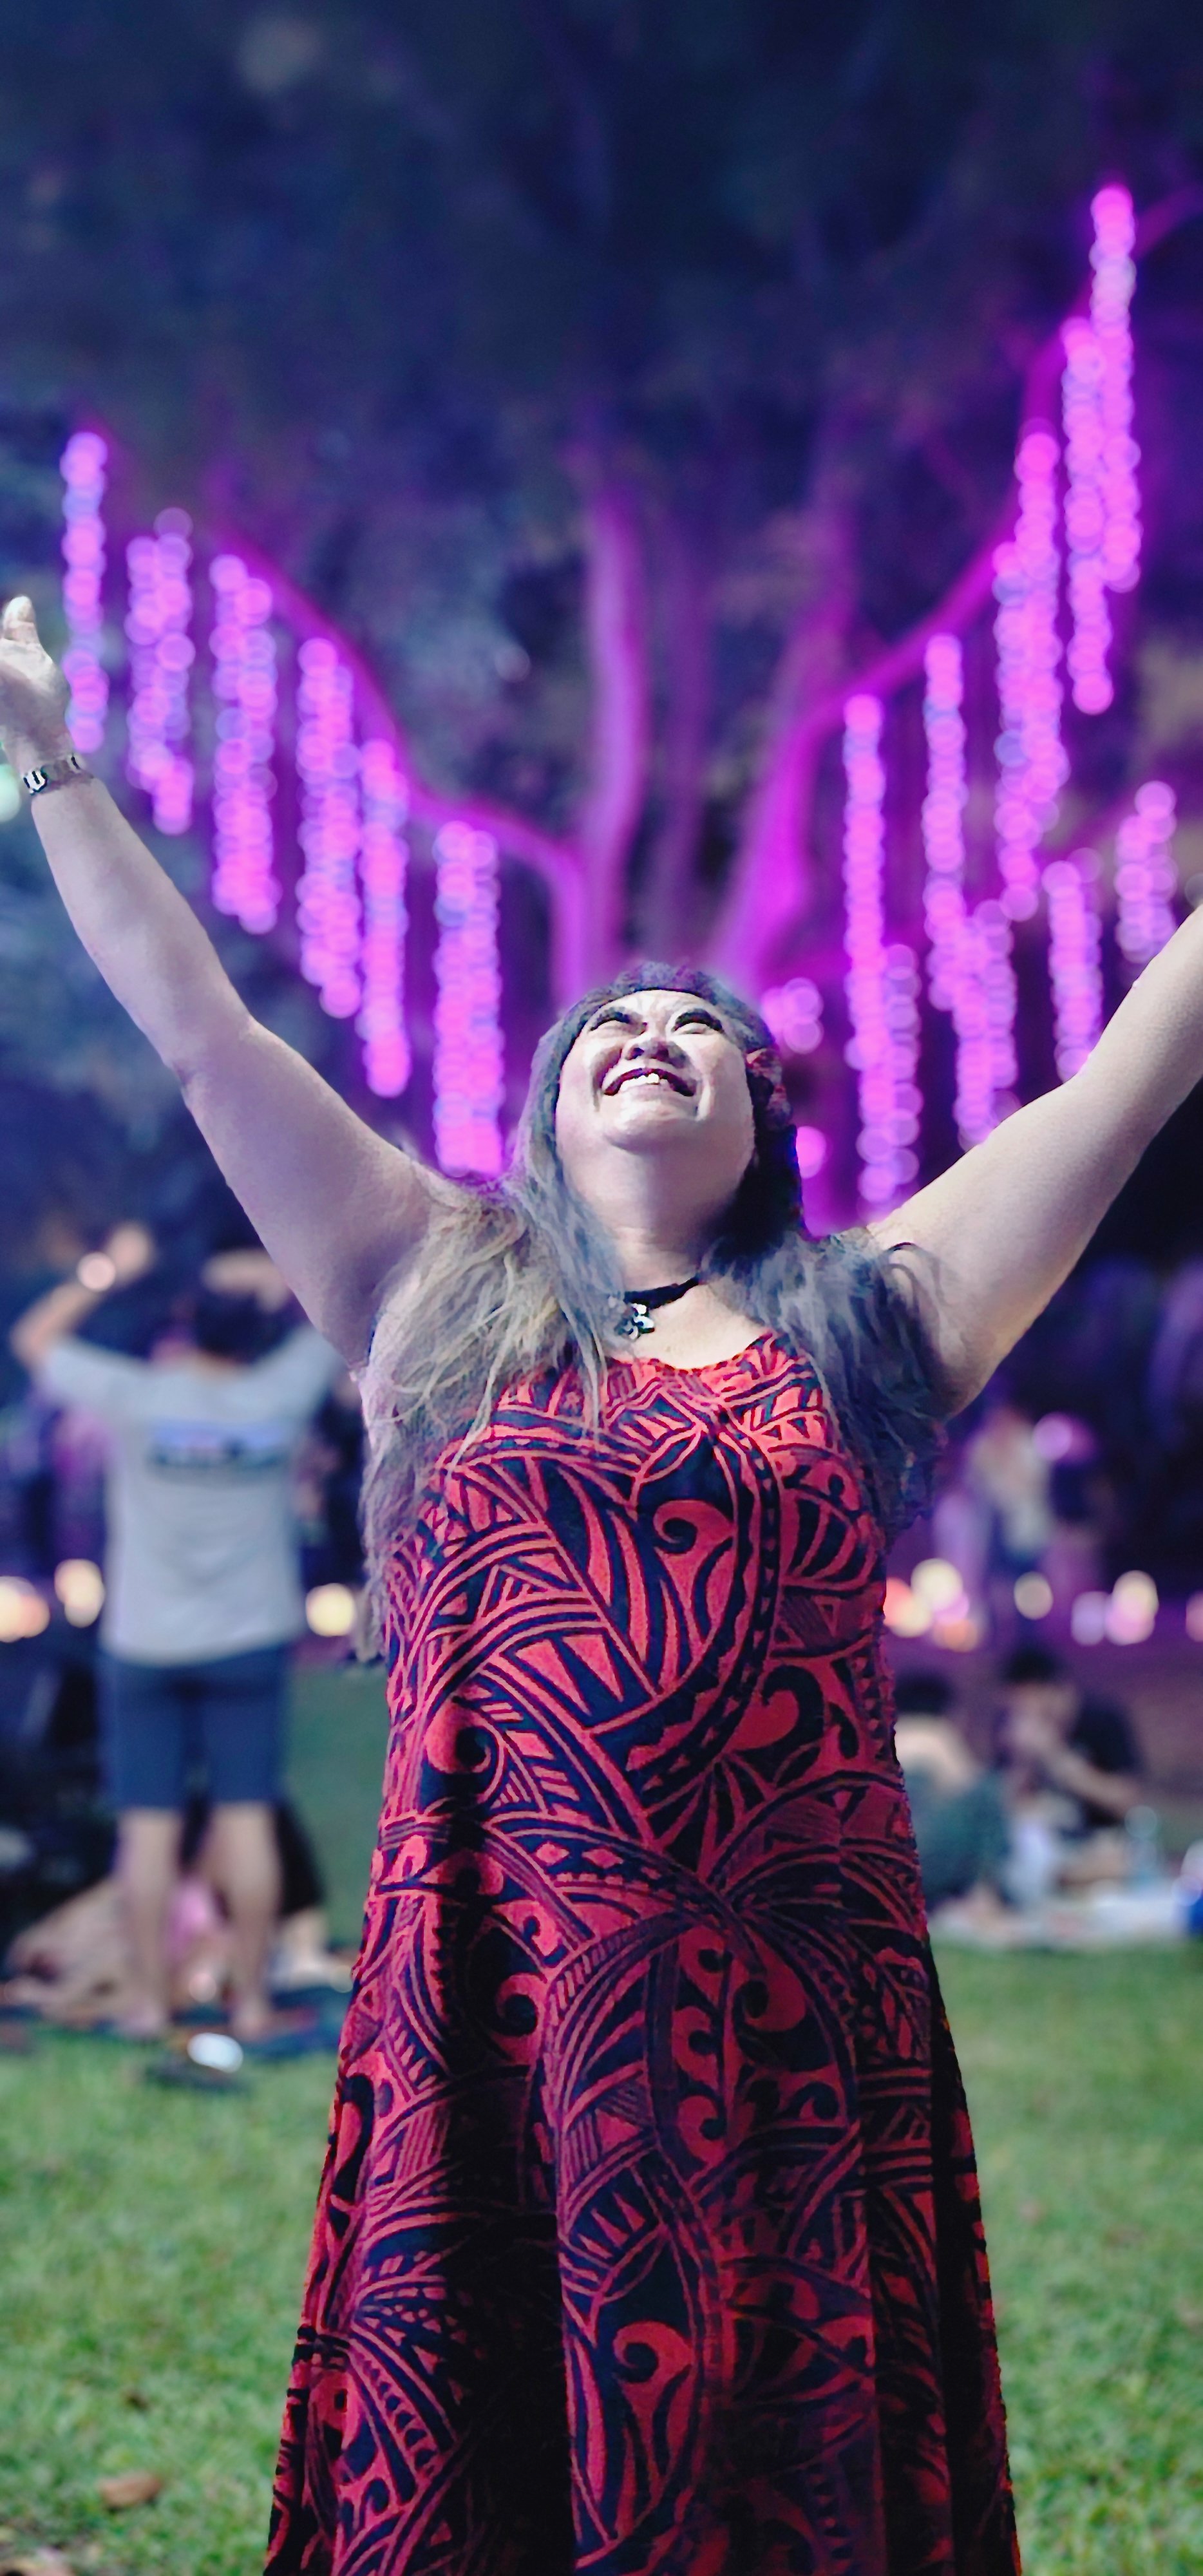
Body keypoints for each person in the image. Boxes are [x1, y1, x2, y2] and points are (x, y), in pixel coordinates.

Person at [8, 596, 1203, 2572]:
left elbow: (1120, 1086)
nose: (651, 1038)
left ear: (758, 1115)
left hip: (785, 2004)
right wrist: (43, 750)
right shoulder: (428, 1284)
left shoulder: (869, 1312)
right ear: (552, 1113)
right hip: (494, 1977)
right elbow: (201, 1033)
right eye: (607, 1035)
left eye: (697, 1033)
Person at [10, 1225, 343, 2040]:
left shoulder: (139, 1395)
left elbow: (33, 1339)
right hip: (246, 1644)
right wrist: (284, 1270)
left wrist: (108, 1272)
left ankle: (149, 2003)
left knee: (147, 1831)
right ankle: (255, 2006)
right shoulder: (279, 1392)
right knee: (245, 1818)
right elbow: (339, 1314)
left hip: (145, 1646)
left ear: (186, 1324)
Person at [993, 1640, 1142, 1901]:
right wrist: (1022, 1762)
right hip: (1043, 1844)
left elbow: (1125, 1800)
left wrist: (1054, 1754)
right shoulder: (1010, 1729)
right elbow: (1001, 1806)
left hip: (1100, 1843)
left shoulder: (1101, 1719)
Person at [893, 1671, 1009, 1915]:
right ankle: (984, 1897)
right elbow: (976, 1795)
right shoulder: (943, 1738)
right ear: (952, 1714)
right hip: (928, 1867)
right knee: (986, 1791)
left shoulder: (886, 1736)